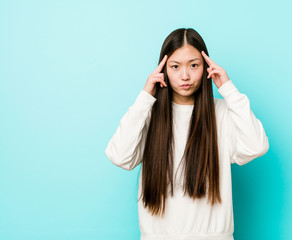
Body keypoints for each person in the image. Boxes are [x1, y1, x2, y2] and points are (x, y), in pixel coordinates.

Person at [105, 28, 269, 240]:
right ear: (163, 70)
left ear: (206, 68)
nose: (185, 76)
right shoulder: (148, 114)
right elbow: (119, 157)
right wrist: (145, 97)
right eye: (175, 67)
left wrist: (228, 88)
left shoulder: (221, 113)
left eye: (194, 65)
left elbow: (257, 146)